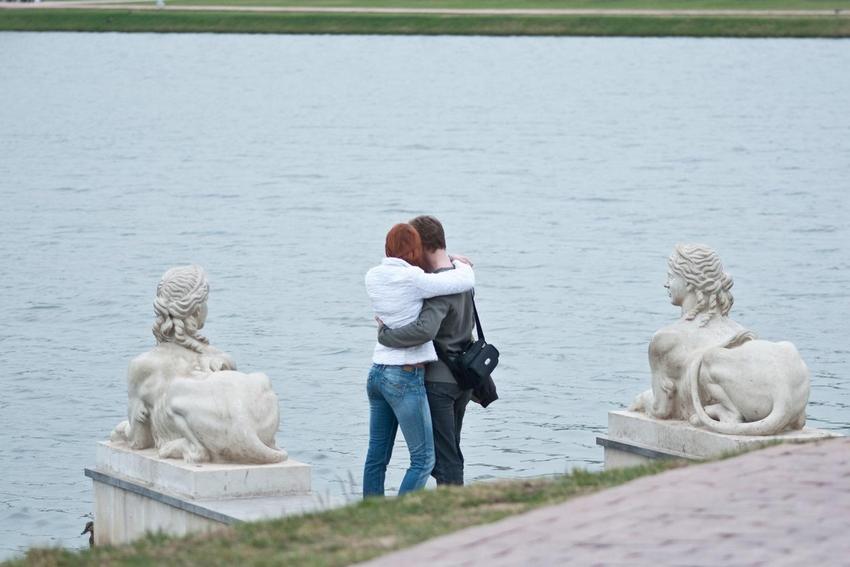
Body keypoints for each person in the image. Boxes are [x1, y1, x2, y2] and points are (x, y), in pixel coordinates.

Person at [377, 215, 492, 487]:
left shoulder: (439, 287)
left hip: (440, 381)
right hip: (463, 378)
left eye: (414, 249)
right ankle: (452, 502)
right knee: (451, 447)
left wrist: (386, 335)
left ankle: (453, 510)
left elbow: (424, 330)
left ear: (423, 247)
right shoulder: (460, 277)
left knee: (444, 456)